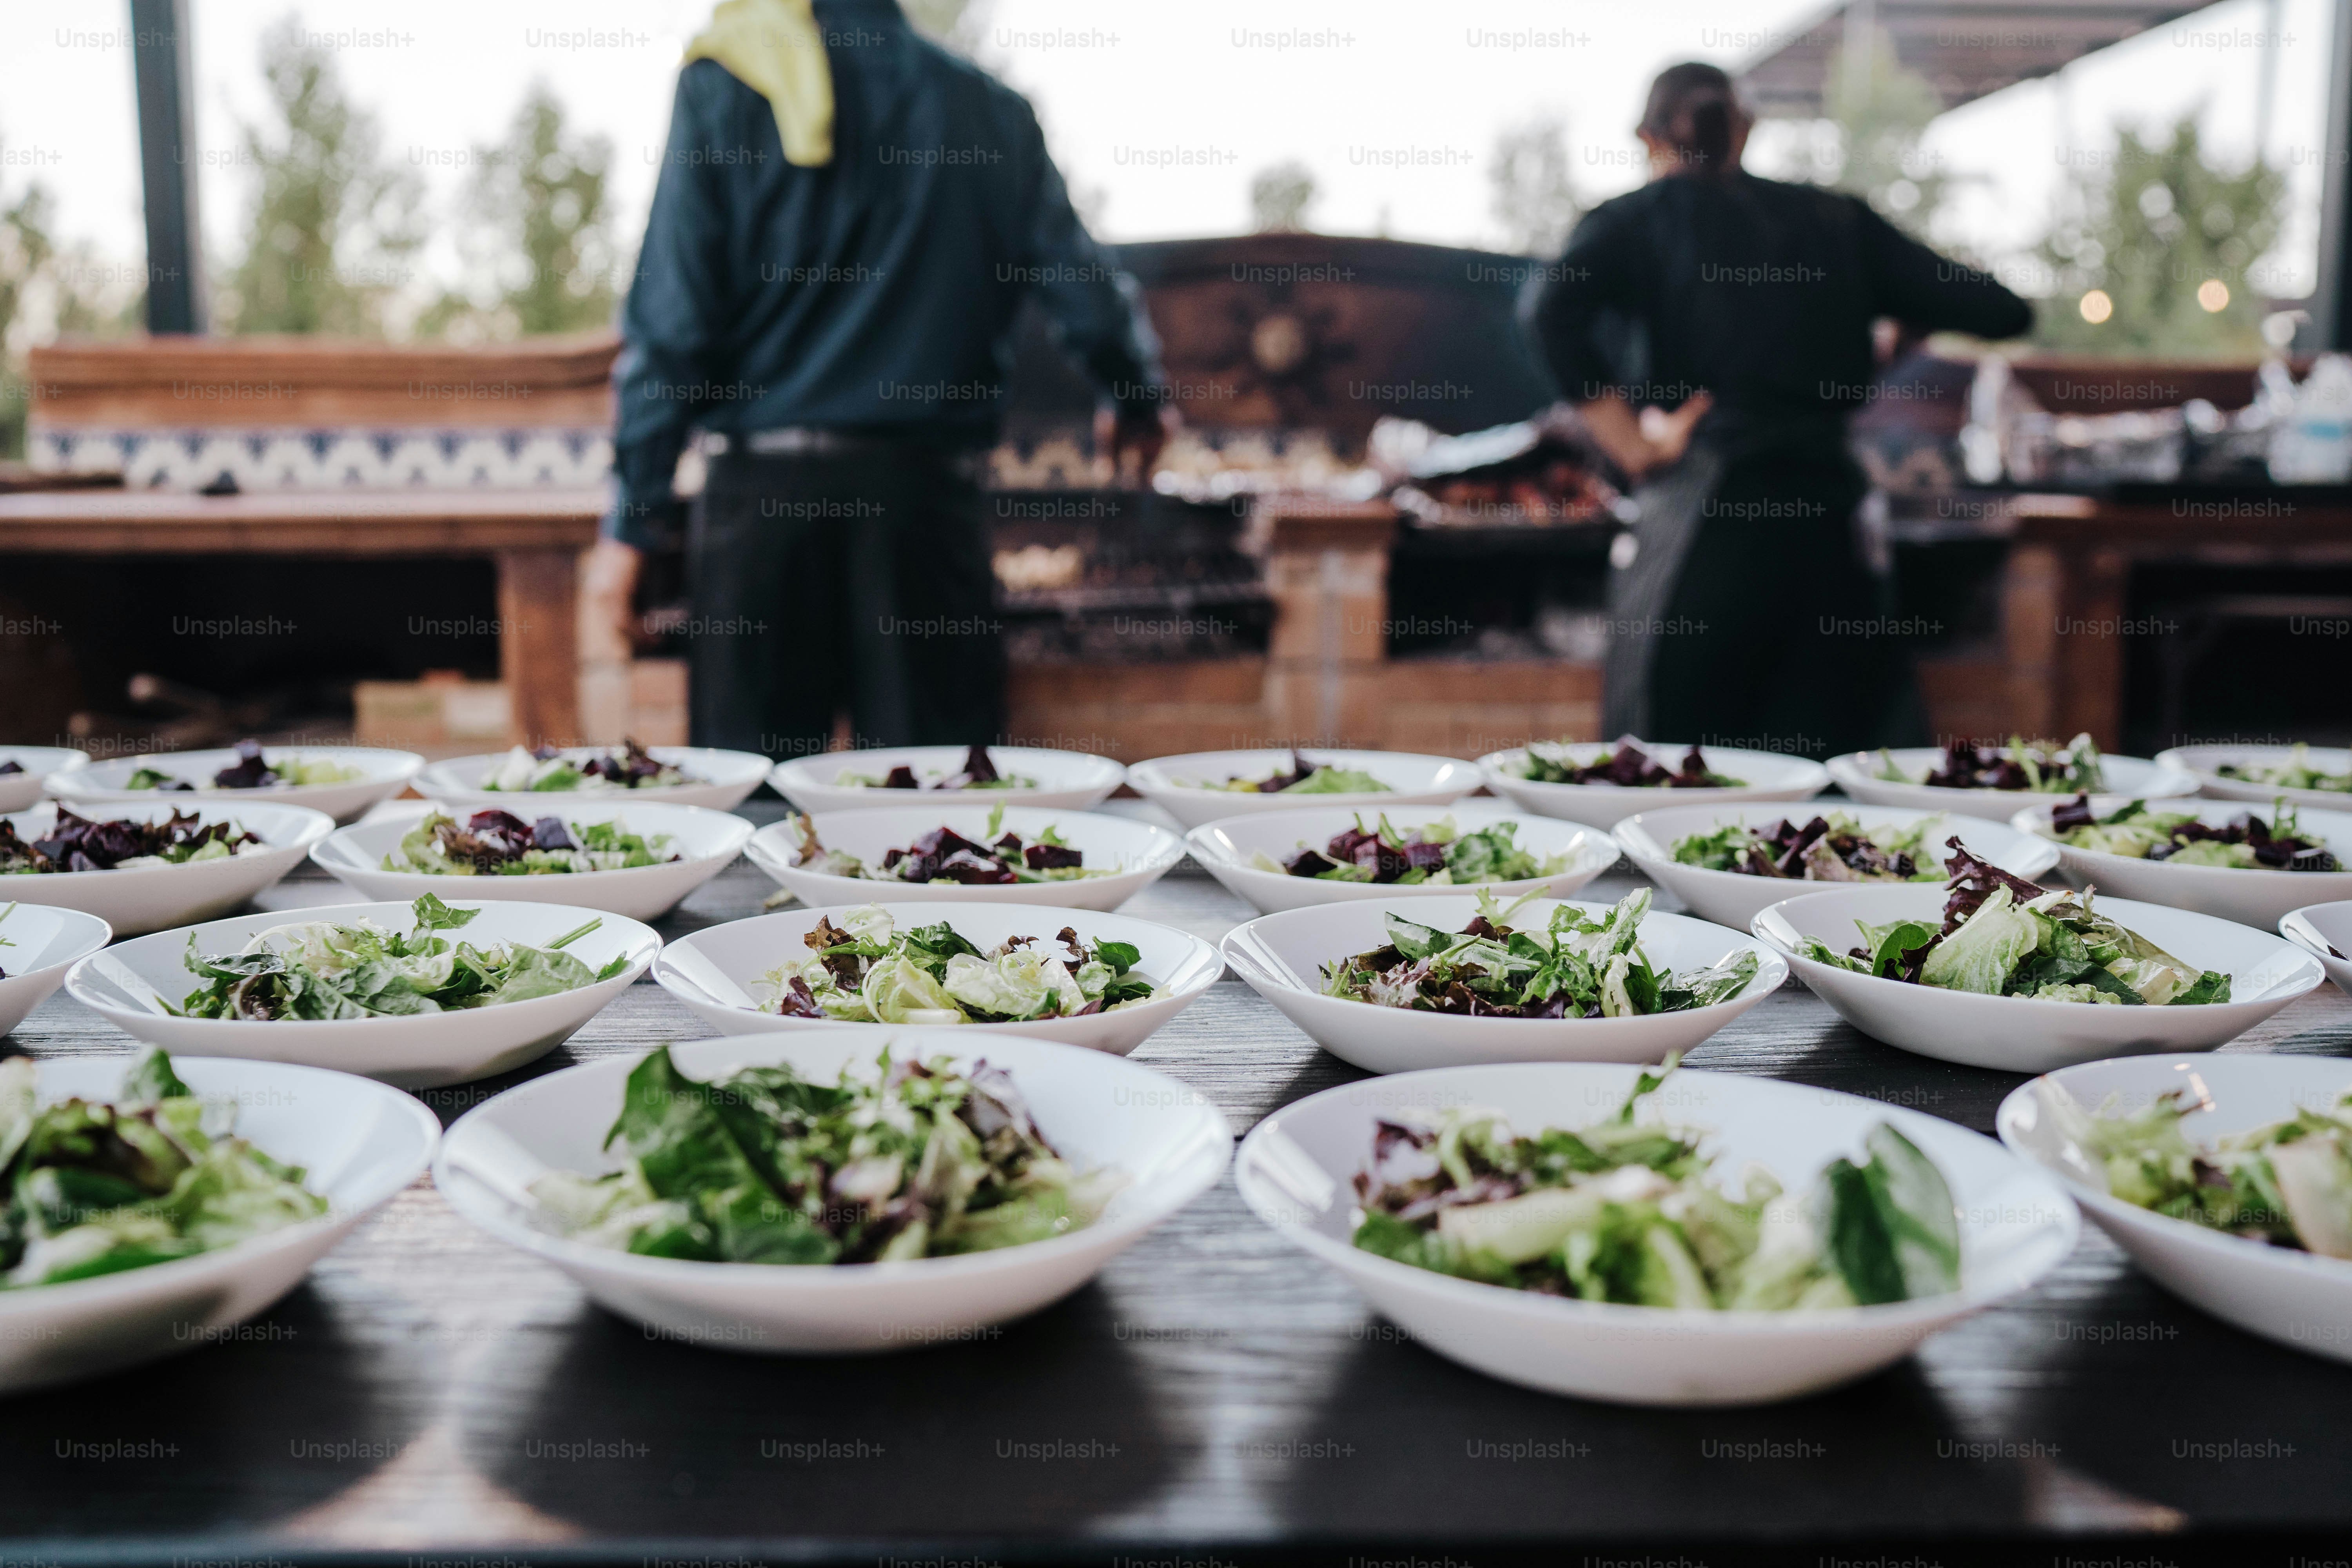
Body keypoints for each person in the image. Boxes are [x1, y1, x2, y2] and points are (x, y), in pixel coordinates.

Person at [593, 0, 1170, 757]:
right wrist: (1135, 399)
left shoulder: (727, 87)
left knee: (753, 815)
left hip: (764, 515)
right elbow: (1089, 303)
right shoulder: (990, 110)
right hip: (923, 509)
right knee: (941, 830)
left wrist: (630, 526)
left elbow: (673, 327)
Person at [1522, 62, 2032, 758]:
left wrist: (1633, 448)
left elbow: (1550, 312)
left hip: (1711, 514)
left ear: (1648, 138)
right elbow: (1999, 308)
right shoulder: (1837, 219)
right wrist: (1897, 336)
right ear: (1746, 129)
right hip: (1832, 525)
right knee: (1835, 769)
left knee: (1667, 765)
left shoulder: (1638, 217)